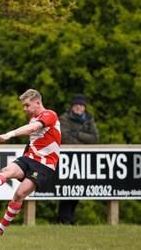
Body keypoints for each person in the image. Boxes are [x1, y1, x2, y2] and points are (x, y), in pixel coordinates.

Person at [0, 89, 61, 236]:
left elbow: (32, 128)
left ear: (38, 102)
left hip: (44, 165)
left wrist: (9, 135)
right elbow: (33, 138)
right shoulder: (32, 119)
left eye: (27, 105)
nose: (25, 109)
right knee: (6, 171)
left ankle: (0, 229)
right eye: (23, 106)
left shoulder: (49, 115)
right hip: (29, 158)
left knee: (19, 195)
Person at [57, 93, 99, 224]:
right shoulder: (64, 118)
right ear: (72, 106)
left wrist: (79, 134)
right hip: (65, 161)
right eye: (77, 105)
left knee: (77, 191)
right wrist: (83, 146)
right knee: (65, 190)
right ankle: (64, 220)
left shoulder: (89, 118)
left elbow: (95, 138)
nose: (79, 107)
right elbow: (64, 138)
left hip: (82, 162)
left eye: (82, 105)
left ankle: (69, 219)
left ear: (85, 107)